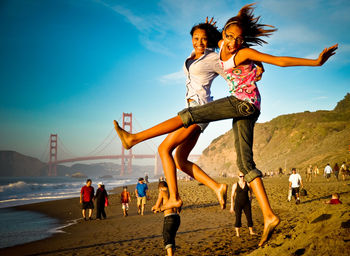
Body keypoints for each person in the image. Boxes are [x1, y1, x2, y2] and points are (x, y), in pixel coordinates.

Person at [114, 4, 336, 246]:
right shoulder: (219, 46)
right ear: (222, 36)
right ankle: (270, 216)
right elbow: (212, 41)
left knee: (190, 115)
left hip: (242, 103)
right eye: (230, 37)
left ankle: (134, 139)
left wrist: (315, 62)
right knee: (245, 163)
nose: (233, 43)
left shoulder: (242, 53)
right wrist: (215, 28)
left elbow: (278, 60)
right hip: (249, 109)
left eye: (239, 39)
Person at [152, 181, 180, 256]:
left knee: (167, 238)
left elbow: (157, 207)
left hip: (169, 217)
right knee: (172, 237)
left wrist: (154, 208)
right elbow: (179, 206)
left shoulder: (162, 192)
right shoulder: (174, 193)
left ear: (160, 188)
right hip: (177, 218)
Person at [230, 172, 256, 237]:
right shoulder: (235, 185)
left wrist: (250, 199)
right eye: (241, 176)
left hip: (246, 203)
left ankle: (251, 231)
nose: (242, 178)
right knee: (238, 218)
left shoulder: (248, 184)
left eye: (243, 176)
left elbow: (251, 192)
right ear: (238, 177)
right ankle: (238, 233)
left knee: (249, 217)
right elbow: (232, 196)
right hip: (238, 204)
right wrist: (231, 207)